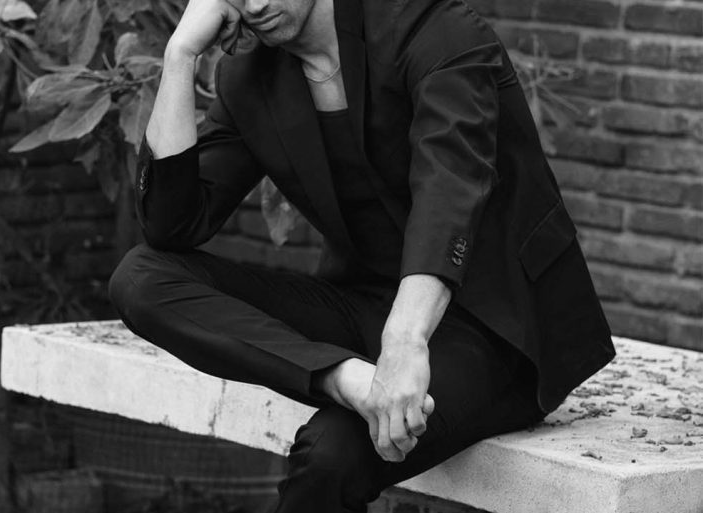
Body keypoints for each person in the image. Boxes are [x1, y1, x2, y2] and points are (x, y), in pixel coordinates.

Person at [108, 0, 616, 510]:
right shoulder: (251, 76)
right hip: (361, 308)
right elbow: (171, 226)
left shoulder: (435, 30)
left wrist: (404, 341)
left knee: (330, 454)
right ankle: (342, 378)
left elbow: (450, 192)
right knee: (141, 277)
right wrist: (180, 55)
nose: (255, 4)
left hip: (496, 328)